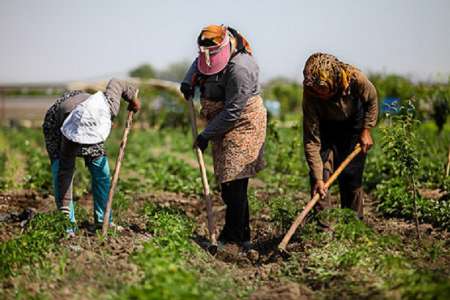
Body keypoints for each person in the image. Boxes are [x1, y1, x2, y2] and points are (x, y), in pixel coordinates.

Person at [180, 25, 267, 250]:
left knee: (235, 180)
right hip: (222, 120)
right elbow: (200, 62)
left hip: (243, 121)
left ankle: (234, 237)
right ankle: (241, 235)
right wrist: (189, 81)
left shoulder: (241, 69)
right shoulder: (209, 51)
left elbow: (233, 111)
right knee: (228, 183)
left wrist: (205, 135)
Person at [42, 79, 140, 232]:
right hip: (59, 122)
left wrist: (133, 99)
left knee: (102, 171)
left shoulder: (109, 106)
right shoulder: (69, 136)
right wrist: (65, 212)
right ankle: (66, 223)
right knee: (61, 169)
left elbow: (117, 82)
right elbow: (64, 173)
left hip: (91, 117)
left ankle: (104, 220)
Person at [302, 53, 378, 220]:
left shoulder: (356, 79)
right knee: (321, 176)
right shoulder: (310, 94)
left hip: (353, 126)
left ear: (334, 82)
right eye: (315, 90)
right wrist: (317, 178)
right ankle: (323, 227)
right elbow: (311, 140)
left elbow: (372, 100)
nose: (318, 93)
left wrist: (366, 130)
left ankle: (352, 224)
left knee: (351, 175)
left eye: (322, 89)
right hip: (326, 127)